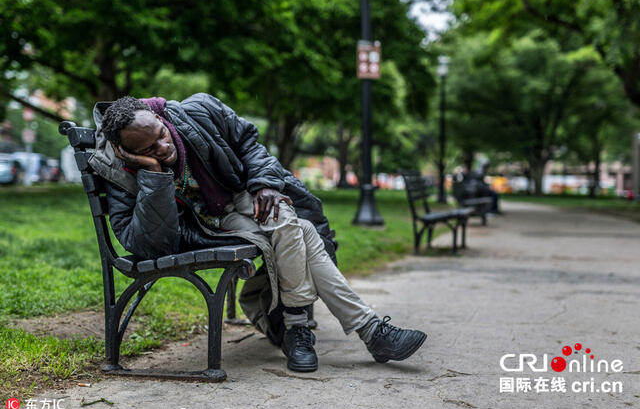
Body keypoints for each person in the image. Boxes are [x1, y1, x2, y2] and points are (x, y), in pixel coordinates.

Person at [90, 94, 426, 373]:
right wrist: (153, 175)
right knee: (302, 231)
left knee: (285, 219)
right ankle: (356, 330)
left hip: (240, 195)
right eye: (147, 150)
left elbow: (249, 144)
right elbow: (148, 243)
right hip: (205, 226)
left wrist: (264, 184)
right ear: (126, 151)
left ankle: (301, 327)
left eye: (161, 135)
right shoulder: (119, 170)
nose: (161, 148)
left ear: (158, 115)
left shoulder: (198, 110)